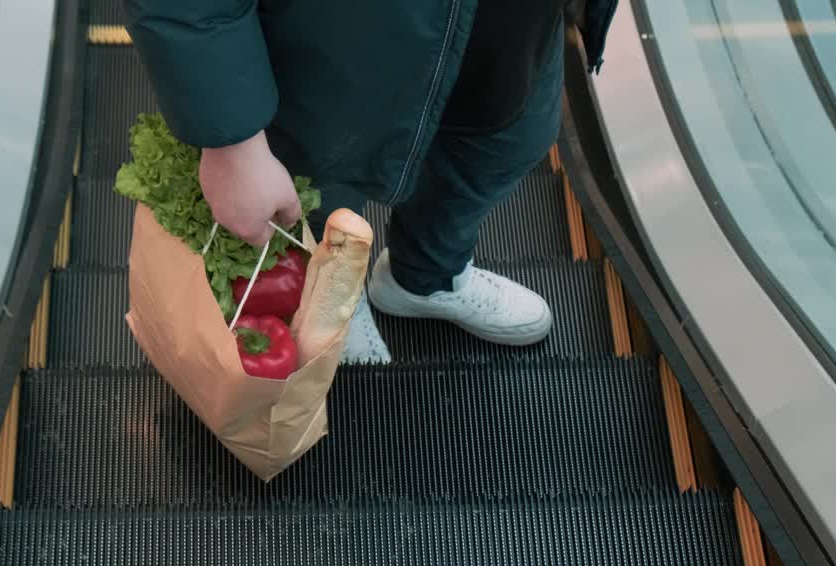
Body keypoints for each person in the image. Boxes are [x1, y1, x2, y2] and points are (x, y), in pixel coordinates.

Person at [124, 1, 618, 355]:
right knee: (323, 189)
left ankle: (426, 279)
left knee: (497, 153)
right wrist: (232, 141)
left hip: (517, 42)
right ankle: (333, 299)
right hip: (331, 56)